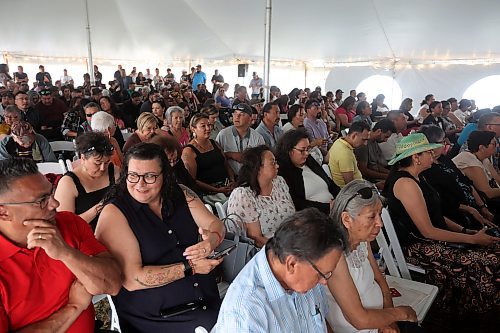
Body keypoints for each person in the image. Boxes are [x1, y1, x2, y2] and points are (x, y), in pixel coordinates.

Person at [95, 143, 225, 332]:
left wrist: (211, 241)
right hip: (156, 314)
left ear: (165, 175)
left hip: (202, 299)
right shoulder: (115, 213)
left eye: (150, 176)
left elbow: (216, 225)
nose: (140, 184)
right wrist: (192, 268)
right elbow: (131, 279)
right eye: (133, 176)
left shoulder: (180, 193)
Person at [383, 133, 499, 314]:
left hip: (432, 238)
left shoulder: (419, 178)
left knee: (494, 249)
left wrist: (466, 231)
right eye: (428, 152)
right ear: (416, 158)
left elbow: (436, 215)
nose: (433, 155)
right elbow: (428, 231)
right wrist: (473, 240)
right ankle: (477, 312)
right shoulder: (406, 183)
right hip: (418, 246)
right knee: (489, 260)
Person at [0, 158, 121, 332]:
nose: (55, 203)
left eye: (52, 193)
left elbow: (112, 284)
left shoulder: (68, 223)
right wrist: (74, 307)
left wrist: (66, 253)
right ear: (3, 213)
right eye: (42, 200)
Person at [212, 208, 347, 333]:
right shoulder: (244, 313)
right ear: (291, 264)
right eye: (320, 275)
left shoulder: (308, 268)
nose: (324, 282)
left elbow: (320, 322)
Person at [326, 180, 419, 333]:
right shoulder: (334, 257)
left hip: (381, 321)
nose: (380, 223)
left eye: (380, 214)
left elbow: (380, 280)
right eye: (371, 217)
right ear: (347, 219)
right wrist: (401, 313)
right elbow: (358, 320)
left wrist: (389, 321)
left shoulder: (362, 240)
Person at [419, 125, 496, 227]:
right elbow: (442, 202)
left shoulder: (443, 159)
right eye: (443, 141)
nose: (446, 144)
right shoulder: (427, 169)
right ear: (433, 145)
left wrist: (482, 207)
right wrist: (470, 210)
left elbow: (466, 182)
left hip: (473, 205)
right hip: (458, 213)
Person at [227, 145, 295, 248]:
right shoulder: (244, 195)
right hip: (269, 249)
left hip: (291, 240)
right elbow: (256, 239)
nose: (277, 166)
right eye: (272, 163)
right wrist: (284, 250)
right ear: (258, 168)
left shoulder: (279, 182)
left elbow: (293, 214)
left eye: (276, 162)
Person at [55, 132, 118, 231]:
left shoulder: (113, 171)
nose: (102, 168)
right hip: (85, 234)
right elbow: (66, 225)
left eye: (106, 163)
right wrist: (98, 208)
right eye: (97, 163)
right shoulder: (68, 183)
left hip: (115, 227)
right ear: (83, 158)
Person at [276, 129, 340, 214]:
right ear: (289, 150)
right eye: (302, 150)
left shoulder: (309, 160)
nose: (306, 153)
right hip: (314, 216)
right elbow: (296, 203)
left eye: (308, 149)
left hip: (334, 208)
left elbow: (329, 181)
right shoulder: (283, 172)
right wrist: (328, 207)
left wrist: (340, 198)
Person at [182, 113, 235, 205]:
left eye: (209, 125)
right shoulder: (189, 151)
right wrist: (217, 190)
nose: (208, 128)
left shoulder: (214, 143)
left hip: (226, 186)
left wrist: (232, 180)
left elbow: (225, 164)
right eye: (203, 126)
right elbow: (192, 180)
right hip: (209, 193)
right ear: (193, 128)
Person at [216, 103, 265, 174]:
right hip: (228, 177)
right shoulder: (223, 134)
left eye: (242, 114)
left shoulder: (257, 137)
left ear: (250, 118)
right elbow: (217, 158)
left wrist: (247, 157)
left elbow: (262, 159)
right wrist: (230, 154)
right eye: (235, 113)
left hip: (251, 177)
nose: (237, 116)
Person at [453, 131, 500, 200]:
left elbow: (498, 180)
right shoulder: (468, 161)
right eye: (494, 144)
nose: (497, 146)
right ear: (482, 147)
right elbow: (487, 193)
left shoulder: (484, 158)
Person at [328, 121, 370, 188]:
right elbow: (351, 186)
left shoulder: (339, 141)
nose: (365, 143)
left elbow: (327, 159)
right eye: (363, 140)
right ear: (354, 136)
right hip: (353, 192)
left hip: (359, 185)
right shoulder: (345, 154)